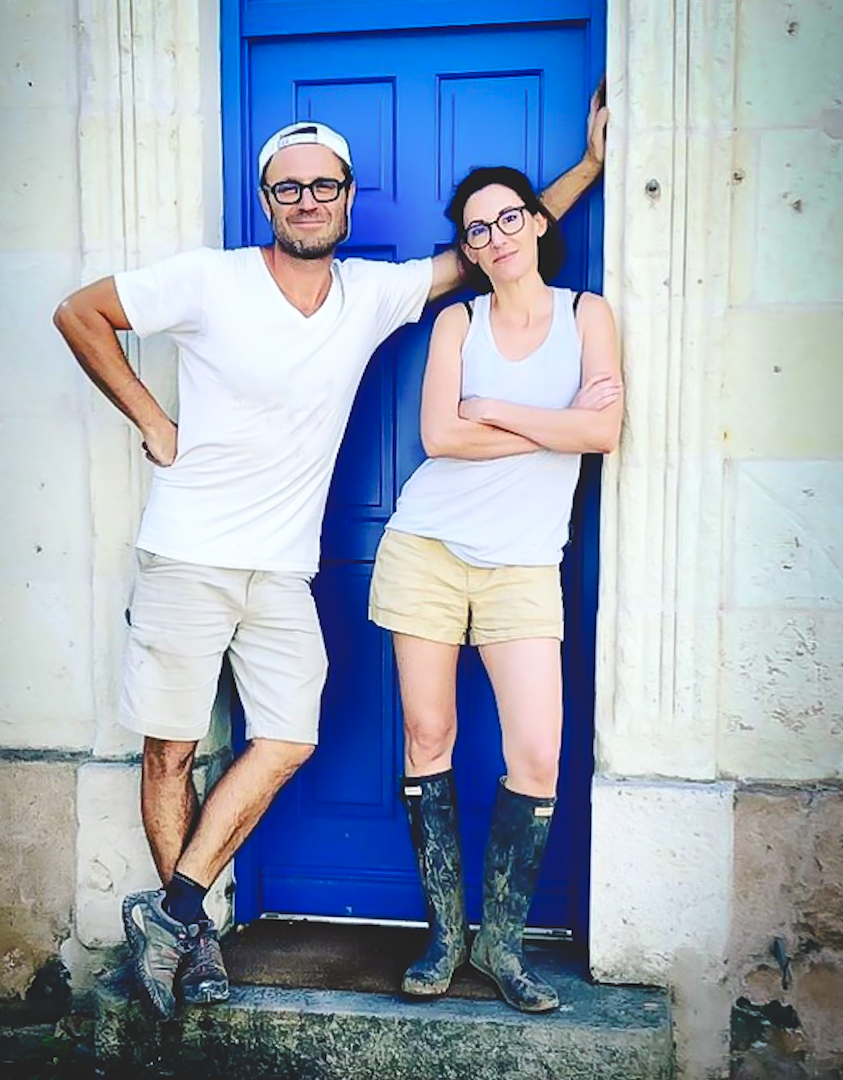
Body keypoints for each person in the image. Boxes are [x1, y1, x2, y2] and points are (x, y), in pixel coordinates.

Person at [53, 107, 607, 1021]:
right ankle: (192, 942)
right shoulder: (212, 280)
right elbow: (81, 314)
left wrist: (586, 168)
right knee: (171, 749)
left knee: (289, 736)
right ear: (266, 199)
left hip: (282, 567)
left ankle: (172, 911)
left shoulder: (371, 295)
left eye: (325, 186)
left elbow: (500, 242)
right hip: (187, 551)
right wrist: (153, 421)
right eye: (289, 188)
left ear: (348, 199)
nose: (308, 201)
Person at [367, 165, 622, 1013]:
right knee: (426, 736)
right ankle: (446, 936)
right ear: (468, 251)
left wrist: (500, 411)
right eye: (476, 230)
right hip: (428, 548)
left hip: (523, 564)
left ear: (538, 223)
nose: (495, 237)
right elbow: (440, 436)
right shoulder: (455, 322)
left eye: (509, 218)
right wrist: (558, 429)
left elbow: (606, 430)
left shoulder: (589, 316)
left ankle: (501, 943)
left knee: (538, 754)